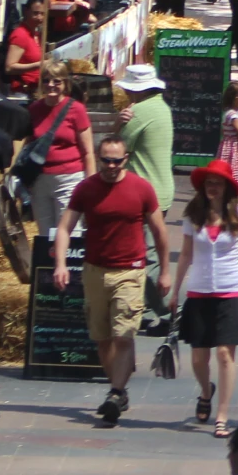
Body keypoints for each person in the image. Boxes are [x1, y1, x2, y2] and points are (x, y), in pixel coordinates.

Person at [51, 133, 170, 427]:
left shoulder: (141, 189)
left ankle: (115, 393)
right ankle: (120, 388)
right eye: (106, 160)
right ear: (99, 158)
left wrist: (165, 271)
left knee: (124, 336)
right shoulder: (86, 188)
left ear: (126, 159)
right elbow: (65, 228)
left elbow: (159, 232)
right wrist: (61, 264)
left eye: (117, 161)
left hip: (130, 271)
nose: (111, 166)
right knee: (102, 340)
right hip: (95, 270)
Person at [167, 159, 238, 439]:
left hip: (232, 289)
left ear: (227, 187)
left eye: (217, 183)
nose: (212, 188)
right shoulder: (194, 215)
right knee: (198, 357)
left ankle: (222, 415)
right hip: (199, 290)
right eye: (208, 183)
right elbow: (185, 255)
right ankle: (206, 391)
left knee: (224, 354)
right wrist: (175, 290)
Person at [26, 68, 95, 226]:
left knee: (68, 233)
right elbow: (29, 144)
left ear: (65, 83)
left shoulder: (76, 109)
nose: (51, 85)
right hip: (40, 179)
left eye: (56, 81)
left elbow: (88, 152)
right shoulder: (34, 109)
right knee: (45, 235)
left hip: (69, 178)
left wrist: (91, 185)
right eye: (46, 81)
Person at [117, 62, 176, 214]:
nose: (126, 93)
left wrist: (116, 125)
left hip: (142, 192)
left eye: (128, 90)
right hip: (163, 188)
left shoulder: (137, 111)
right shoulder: (164, 107)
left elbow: (115, 150)